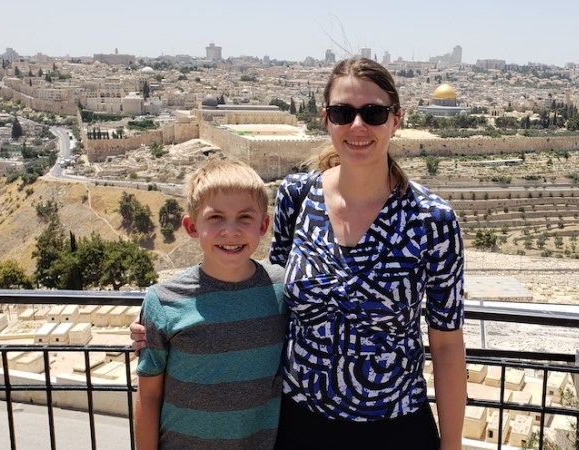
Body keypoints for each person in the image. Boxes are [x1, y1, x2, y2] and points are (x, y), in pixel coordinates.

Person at [133, 57, 467, 450]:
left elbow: (446, 345)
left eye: (373, 113)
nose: (358, 126)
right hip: (299, 424)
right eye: (344, 113)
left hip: (394, 426)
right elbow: (267, 288)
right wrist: (162, 320)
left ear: (396, 119)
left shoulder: (432, 220)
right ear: (326, 118)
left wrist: (452, 445)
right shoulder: (297, 196)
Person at [134, 160, 286, 450]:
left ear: (263, 225)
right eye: (215, 217)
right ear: (192, 226)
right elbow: (149, 395)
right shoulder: (164, 301)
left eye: (244, 217)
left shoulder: (281, 289)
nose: (231, 231)